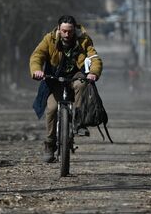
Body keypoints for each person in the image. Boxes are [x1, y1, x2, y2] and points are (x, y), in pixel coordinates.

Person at [29, 15, 103, 163]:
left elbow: (94, 58)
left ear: (74, 30)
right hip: (55, 79)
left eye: (70, 31)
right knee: (51, 109)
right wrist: (37, 70)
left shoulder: (84, 40)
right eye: (64, 31)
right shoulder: (49, 39)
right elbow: (37, 56)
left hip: (76, 76)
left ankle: (79, 122)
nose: (67, 35)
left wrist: (94, 73)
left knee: (82, 84)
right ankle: (50, 145)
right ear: (58, 29)